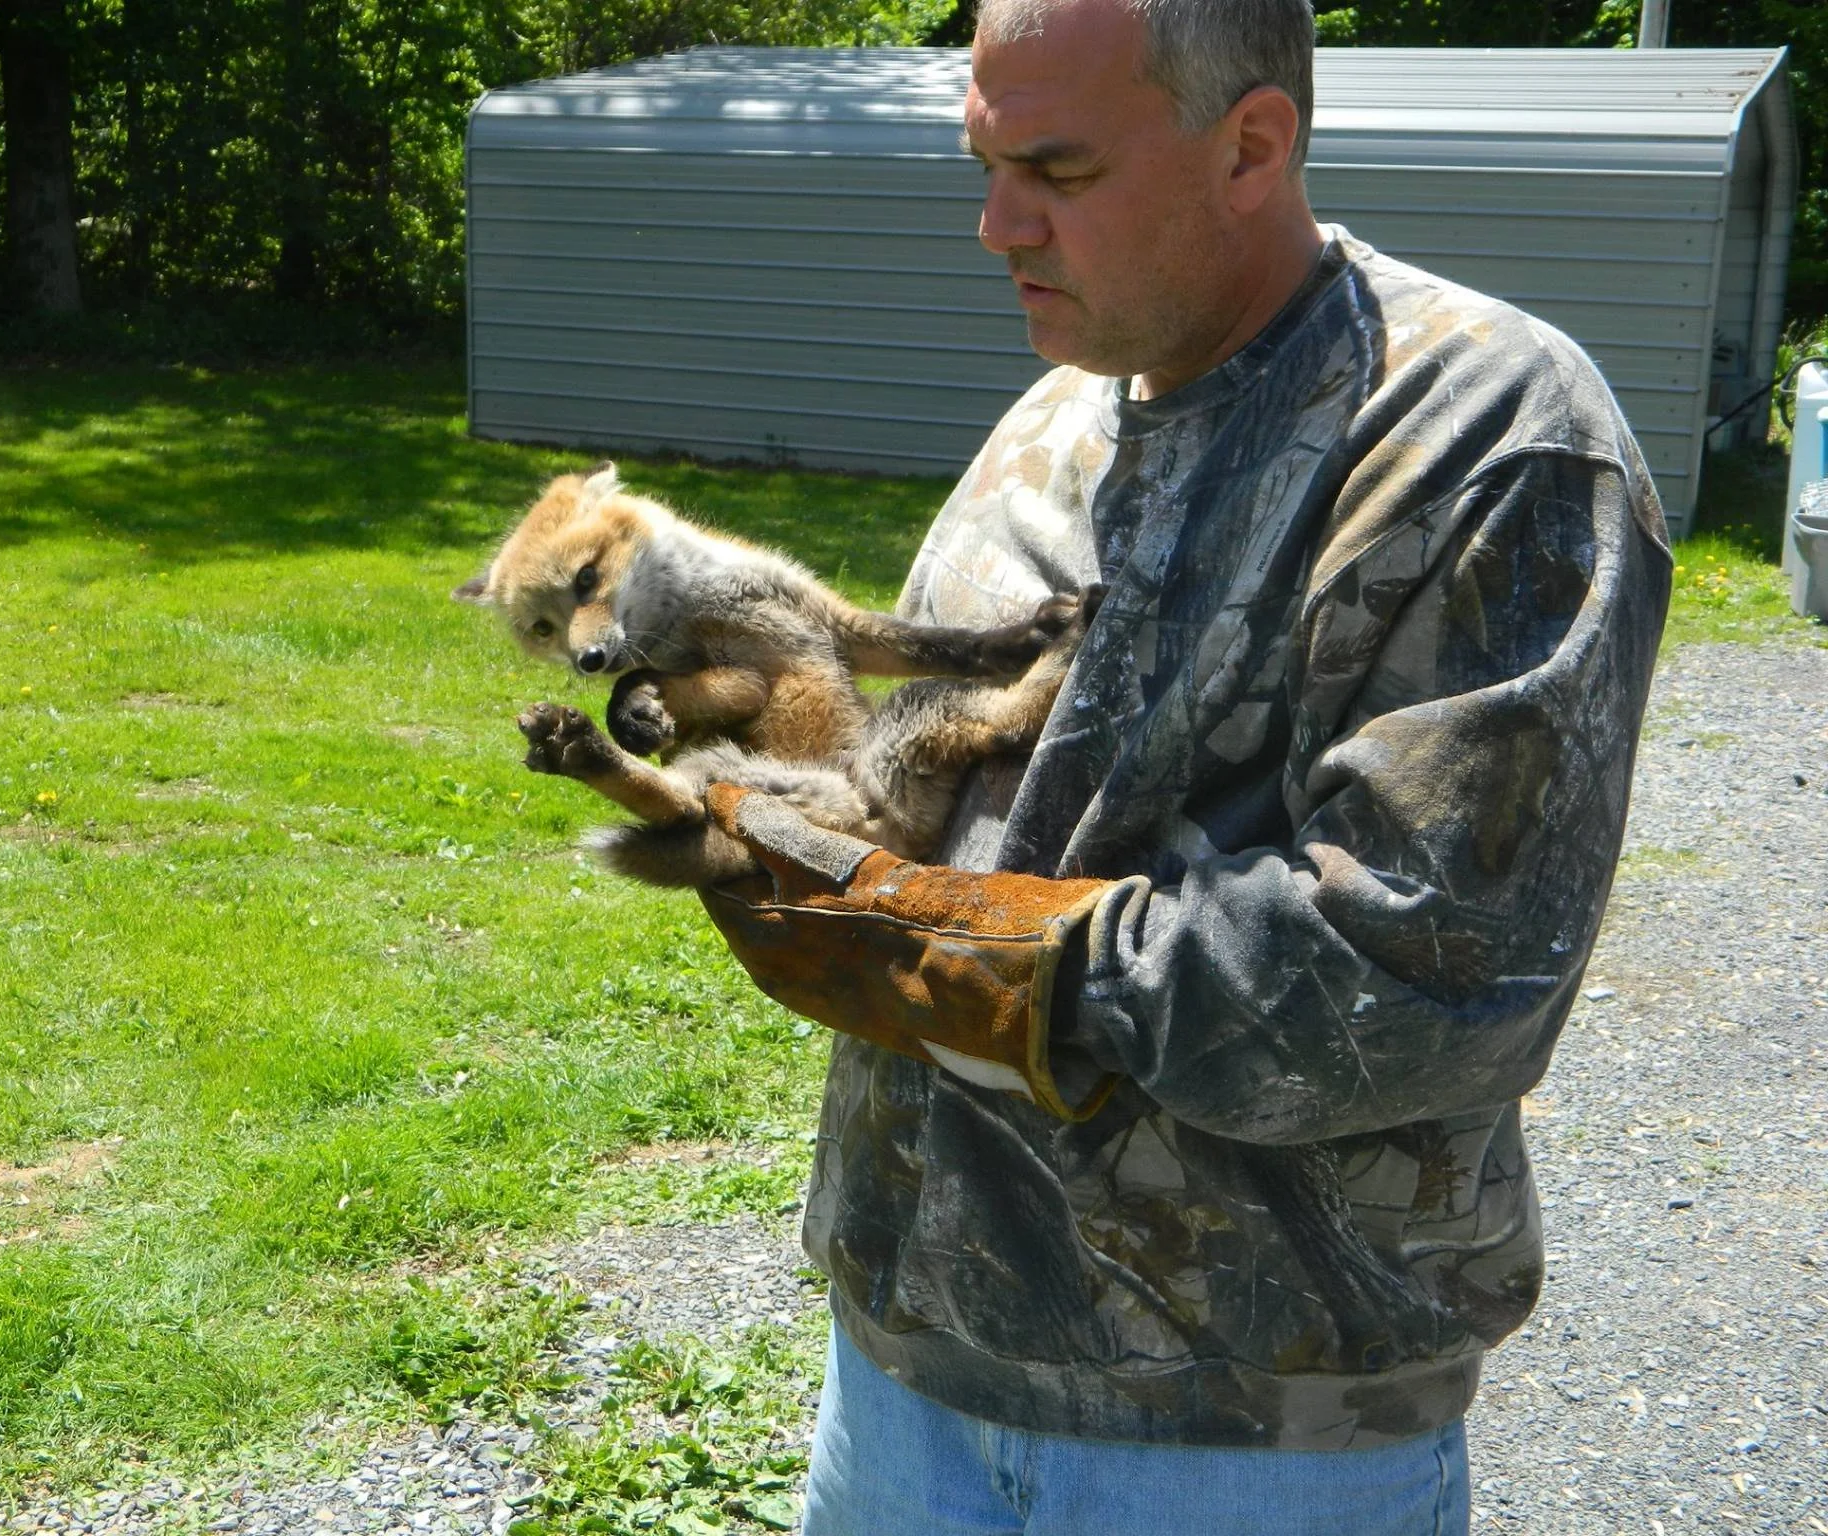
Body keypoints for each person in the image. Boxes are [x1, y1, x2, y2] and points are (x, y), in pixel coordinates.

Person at [695, 0, 1674, 1531]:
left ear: (1251, 146)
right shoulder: (1059, 410)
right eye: (985, 161)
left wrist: (969, 954)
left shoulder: (1485, 432)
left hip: (1243, 1450)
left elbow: (1436, 975)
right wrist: (776, 796)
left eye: (1058, 170)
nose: (995, 222)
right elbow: (929, 774)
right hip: (902, 1389)